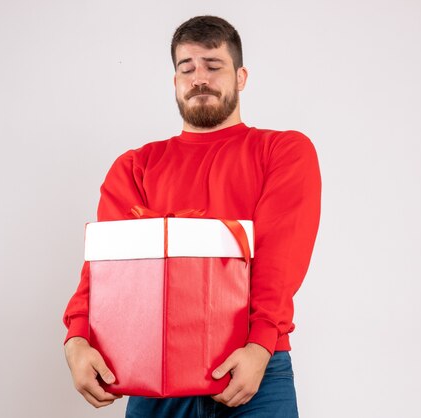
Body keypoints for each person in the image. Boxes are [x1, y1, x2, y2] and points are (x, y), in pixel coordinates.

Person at [63, 15, 321, 418]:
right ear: (175, 82)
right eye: (187, 68)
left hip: (254, 369)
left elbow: (279, 259)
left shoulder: (282, 152)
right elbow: (106, 271)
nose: (199, 78)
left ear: (241, 77)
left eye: (213, 66)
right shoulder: (135, 167)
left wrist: (258, 347)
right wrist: (76, 339)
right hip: (153, 371)